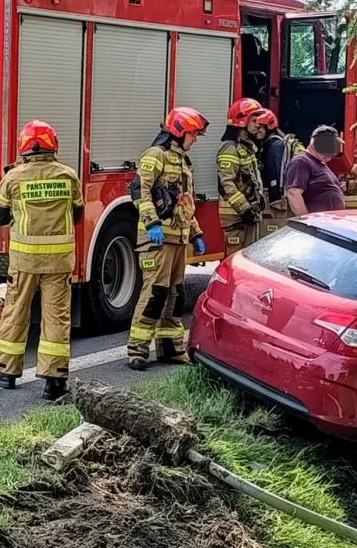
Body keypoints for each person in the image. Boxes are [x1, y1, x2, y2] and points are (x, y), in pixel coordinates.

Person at [0, 120, 85, 401]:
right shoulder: (68, 176)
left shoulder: (15, 177)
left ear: (24, 147)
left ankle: (6, 372)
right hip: (59, 263)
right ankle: (54, 382)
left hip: (25, 261)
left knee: (16, 312)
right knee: (57, 317)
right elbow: (77, 214)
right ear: (53, 145)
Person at [128, 107, 210, 371]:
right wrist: (152, 223)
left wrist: (196, 233)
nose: (195, 140)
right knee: (155, 292)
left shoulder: (183, 161)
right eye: (193, 134)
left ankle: (171, 348)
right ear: (178, 131)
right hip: (157, 239)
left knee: (175, 294)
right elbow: (140, 190)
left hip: (178, 239)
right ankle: (137, 350)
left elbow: (184, 203)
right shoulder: (156, 156)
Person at [217, 98, 267, 256]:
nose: (258, 125)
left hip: (247, 215)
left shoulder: (247, 147)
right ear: (241, 121)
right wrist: (245, 209)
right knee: (235, 260)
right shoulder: (230, 149)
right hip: (236, 218)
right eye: (254, 120)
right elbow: (227, 184)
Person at [249, 108, 302, 235]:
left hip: (275, 202)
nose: (257, 131)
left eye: (260, 127)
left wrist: (275, 199)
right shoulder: (268, 144)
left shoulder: (275, 145)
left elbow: (276, 173)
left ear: (269, 127)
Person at [284, 125, 347, 216]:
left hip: (329, 221)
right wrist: (307, 221)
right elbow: (293, 193)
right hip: (317, 223)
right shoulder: (301, 161)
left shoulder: (320, 163)